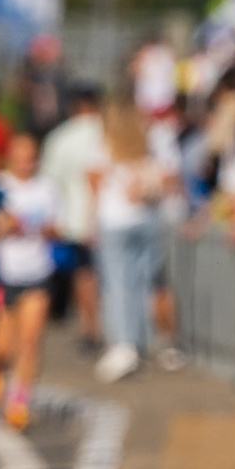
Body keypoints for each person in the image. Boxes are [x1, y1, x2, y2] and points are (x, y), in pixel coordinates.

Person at [91, 98, 173, 384]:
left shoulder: (104, 145)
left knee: (117, 285)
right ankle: (138, 343)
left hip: (115, 222)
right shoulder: (148, 142)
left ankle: (123, 346)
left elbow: (93, 184)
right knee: (141, 283)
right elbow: (167, 177)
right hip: (147, 220)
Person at [0, 132, 58, 429]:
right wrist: (4, 226)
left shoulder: (47, 188)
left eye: (31, 158)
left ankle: (18, 403)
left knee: (29, 342)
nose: (26, 163)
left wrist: (45, 229)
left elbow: (58, 229)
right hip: (3, 275)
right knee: (3, 346)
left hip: (37, 273)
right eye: (20, 157)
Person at [38, 85, 107, 347]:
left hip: (75, 219)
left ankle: (91, 330)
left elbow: (49, 183)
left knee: (84, 275)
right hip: (109, 217)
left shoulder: (60, 137)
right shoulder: (109, 133)